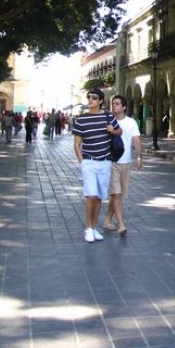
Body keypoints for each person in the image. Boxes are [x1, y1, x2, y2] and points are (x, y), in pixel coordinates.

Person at [73, 89, 121, 243]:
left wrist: (113, 131)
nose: (90, 100)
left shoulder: (108, 116)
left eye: (94, 98)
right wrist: (83, 163)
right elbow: (76, 144)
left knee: (99, 196)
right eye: (89, 97)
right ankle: (88, 228)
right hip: (89, 161)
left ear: (100, 100)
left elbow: (120, 131)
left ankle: (94, 228)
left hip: (105, 162)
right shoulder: (81, 119)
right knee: (91, 195)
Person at [103, 95, 142, 237]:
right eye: (113, 104)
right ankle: (121, 224)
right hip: (112, 162)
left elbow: (136, 140)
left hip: (126, 162)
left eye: (117, 104)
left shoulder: (131, 122)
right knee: (117, 194)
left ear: (124, 107)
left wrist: (138, 157)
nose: (114, 106)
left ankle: (107, 220)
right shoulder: (108, 121)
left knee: (116, 195)